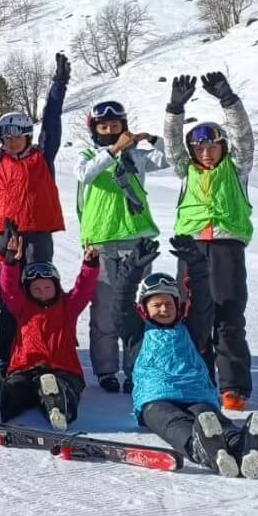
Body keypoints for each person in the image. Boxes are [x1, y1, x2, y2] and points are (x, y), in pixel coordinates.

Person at [0, 55, 69, 369]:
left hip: (37, 232)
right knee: (7, 294)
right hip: (5, 234)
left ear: (27, 137)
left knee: (40, 292)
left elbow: (52, 120)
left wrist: (58, 84)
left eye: (15, 136)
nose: (9, 142)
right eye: (5, 138)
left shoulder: (42, 156)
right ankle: (8, 356)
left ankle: (41, 350)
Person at [128, 238, 258, 478]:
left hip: (195, 394)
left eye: (168, 304)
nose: (164, 309)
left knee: (213, 420)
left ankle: (243, 446)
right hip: (155, 398)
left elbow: (203, 301)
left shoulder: (192, 330)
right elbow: (120, 305)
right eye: (157, 305)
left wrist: (196, 264)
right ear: (144, 308)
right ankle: (200, 446)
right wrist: (132, 268)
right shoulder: (136, 333)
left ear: (177, 305)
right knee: (172, 423)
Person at [163, 72, 255, 410]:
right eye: (199, 147)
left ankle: (233, 387)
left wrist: (229, 100)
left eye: (211, 145)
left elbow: (244, 137)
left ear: (222, 147)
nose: (205, 152)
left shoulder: (237, 168)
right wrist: (175, 108)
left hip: (227, 246)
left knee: (228, 315)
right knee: (193, 315)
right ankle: (199, 381)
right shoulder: (185, 170)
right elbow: (172, 144)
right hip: (191, 249)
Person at [75, 99, 169, 392]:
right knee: (103, 311)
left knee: (137, 309)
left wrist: (155, 140)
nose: (111, 131)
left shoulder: (135, 157)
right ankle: (105, 370)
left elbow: (164, 160)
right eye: (104, 127)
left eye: (116, 127)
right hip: (101, 242)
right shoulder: (89, 154)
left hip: (135, 239)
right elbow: (85, 174)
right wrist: (113, 150)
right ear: (95, 129)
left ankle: (135, 369)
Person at [0, 230, 99, 431]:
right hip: (26, 367)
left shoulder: (68, 306)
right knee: (16, 390)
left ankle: (59, 406)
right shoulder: (23, 308)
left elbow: (84, 289)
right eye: (36, 289)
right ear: (28, 290)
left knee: (64, 387)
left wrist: (89, 266)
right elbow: (9, 289)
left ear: (56, 286)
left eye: (47, 288)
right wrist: (11, 262)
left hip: (63, 368)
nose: (42, 293)